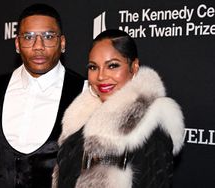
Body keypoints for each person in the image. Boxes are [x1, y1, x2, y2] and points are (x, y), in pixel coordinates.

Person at [0, 3, 85, 188]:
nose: (38, 46)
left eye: (48, 36)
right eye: (28, 37)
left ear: (62, 43)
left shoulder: (83, 91)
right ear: (18, 44)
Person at [52, 29, 185, 188]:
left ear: (134, 67)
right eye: (93, 67)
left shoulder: (150, 127)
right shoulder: (81, 118)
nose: (101, 76)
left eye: (112, 65)